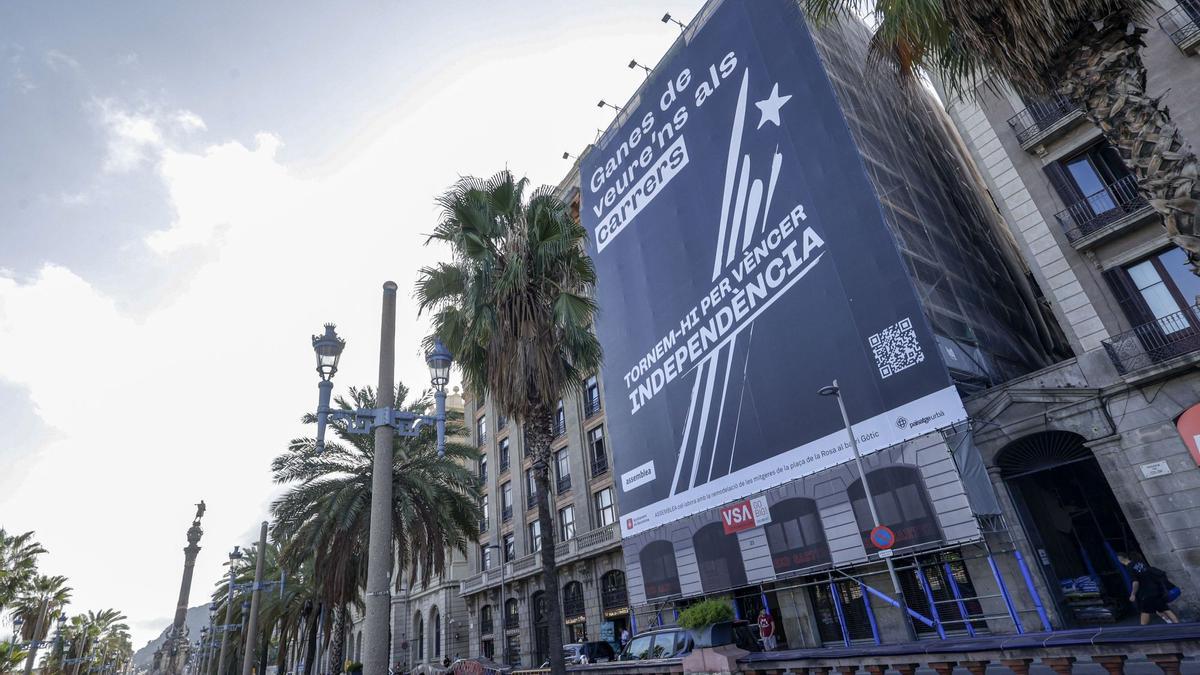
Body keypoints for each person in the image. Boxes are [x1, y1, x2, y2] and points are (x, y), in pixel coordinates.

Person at [1118, 551, 1181, 625]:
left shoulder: (1129, 567)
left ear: (1120, 559)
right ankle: (1177, 624)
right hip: (1155, 590)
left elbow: (1135, 582)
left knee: (1145, 611)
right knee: (1164, 609)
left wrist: (1133, 594)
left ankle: (1144, 630)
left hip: (1146, 594)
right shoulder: (1140, 564)